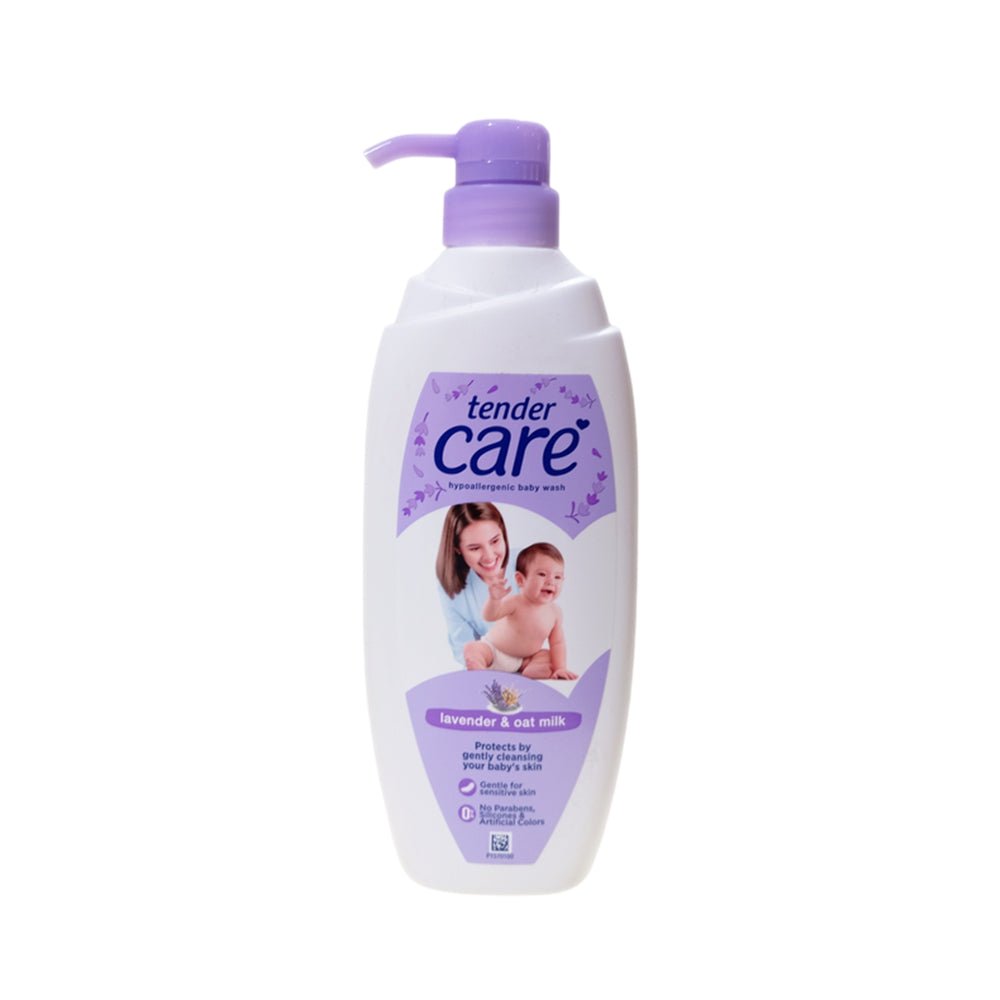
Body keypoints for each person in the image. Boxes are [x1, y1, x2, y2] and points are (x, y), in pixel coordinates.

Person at [463, 542, 578, 681]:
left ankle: (533, 669)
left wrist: (560, 667)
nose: (551, 582)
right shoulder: (515, 602)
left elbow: (557, 643)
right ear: (520, 579)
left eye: (557, 577)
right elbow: (489, 616)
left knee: (547, 655)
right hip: (493, 651)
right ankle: (479, 669)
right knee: (473, 648)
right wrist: (494, 600)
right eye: (542, 574)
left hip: (524, 660)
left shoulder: (555, 613)